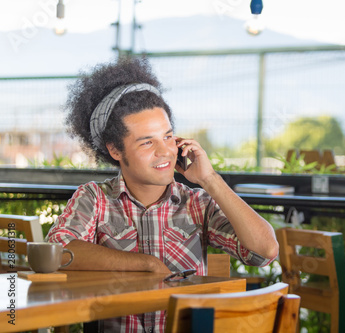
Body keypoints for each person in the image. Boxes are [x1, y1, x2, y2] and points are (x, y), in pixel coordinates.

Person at [46, 57, 279, 332]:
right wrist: (144, 263)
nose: (164, 151)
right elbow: (58, 251)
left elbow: (265, 252)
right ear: (115, 150)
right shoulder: (95, 198)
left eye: (168, 137)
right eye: (147, 142)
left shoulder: (196, 204)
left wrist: (209, 179)